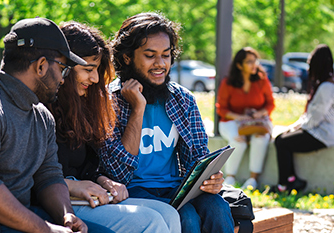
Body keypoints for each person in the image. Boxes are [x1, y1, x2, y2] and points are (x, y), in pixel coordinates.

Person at [99, 12, 234, 233]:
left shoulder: (183, 99)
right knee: (187, 218)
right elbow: (117, 175)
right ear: (127, 58)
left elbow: (197, 159)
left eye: (166, 55)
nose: (160, 64)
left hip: (176, 189)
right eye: (150, 55)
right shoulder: (108, 101)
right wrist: (138, 109)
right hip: (131, 192)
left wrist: (212, 179)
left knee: (218, 207)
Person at [48, 21, 181, 233]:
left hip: (88, 195)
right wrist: (74, 185)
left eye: (97, 70)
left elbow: (89, 166)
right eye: (88, 70)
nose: (95, 78)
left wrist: (104, 181)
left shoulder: (83, 105)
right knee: (150, 221)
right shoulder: (42, 107)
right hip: (60, 201)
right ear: (63, 67)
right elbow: (35, 175)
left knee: (169, 214)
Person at [0, 17, 88, 233]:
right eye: (63, 68)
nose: (62, 79)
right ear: (41, 66)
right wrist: (45, 229)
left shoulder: (42, 116)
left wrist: (65, 215)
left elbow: (48, 175)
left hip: (25, 220)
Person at [273, 44, 334, 193]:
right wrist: (294, 127)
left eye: (310, 64)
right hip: (318, 130)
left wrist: (297, 128)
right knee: (282, 138)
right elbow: (310, 116)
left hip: (323, 134)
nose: (308, 68)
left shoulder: (327, 87)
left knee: (282, 142)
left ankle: (284, 185)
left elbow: (315, 118)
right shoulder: (326, 84)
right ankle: (292, 180)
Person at [216, 47, 275, 190]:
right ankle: (230, 178)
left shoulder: (262, 80)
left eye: (255, 61)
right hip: (232, 121)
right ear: (239, 65)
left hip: (258, 121)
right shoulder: (228, 83)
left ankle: (253, 180)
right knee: (238, 140)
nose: (254, 64)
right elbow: (221, 108)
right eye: (249, 62)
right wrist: (239, 117)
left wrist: (259, 113)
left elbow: (270, 104)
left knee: (260, 138)